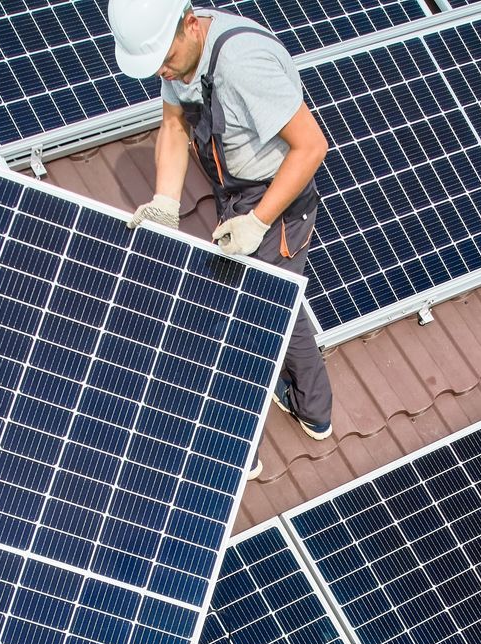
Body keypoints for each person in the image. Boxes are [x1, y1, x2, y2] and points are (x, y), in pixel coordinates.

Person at [111, 0, 335, 445]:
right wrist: (164, 202)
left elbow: (311, 147)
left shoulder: (243, 62)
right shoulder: (178, 56)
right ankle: (306, 404)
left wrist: (257, 220)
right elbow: (174, 126)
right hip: (233, 188)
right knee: (265, 299)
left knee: (268, 306)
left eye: (166, 61)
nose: (163, 74)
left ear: (190, 25)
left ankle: (310, 411)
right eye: (155, 67)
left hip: (276, 196)